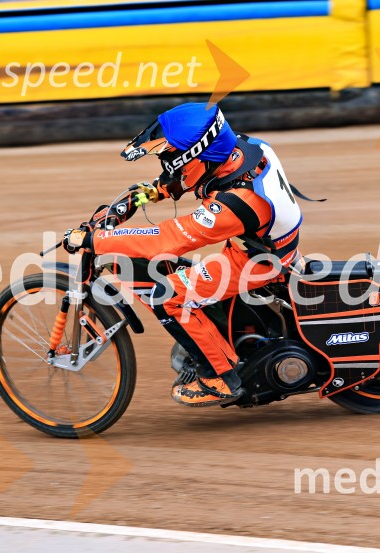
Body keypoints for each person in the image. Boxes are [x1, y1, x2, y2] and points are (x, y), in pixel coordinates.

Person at [62, 103, 303, 407]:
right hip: (261, 244)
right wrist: (149, 193)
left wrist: (98, 239)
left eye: (170, 158)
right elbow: (200, 175)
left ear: (196, 155)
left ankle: (220, 378)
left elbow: (166, 239)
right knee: (180, 275)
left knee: (168, 295)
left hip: (256, 262)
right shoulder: (245, 147)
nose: (167, 164)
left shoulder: (234, 204)